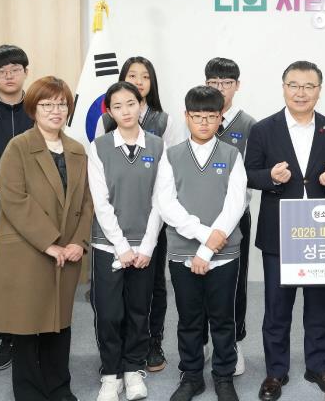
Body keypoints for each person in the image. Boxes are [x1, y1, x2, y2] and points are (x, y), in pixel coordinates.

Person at [245, 60, 325, 401]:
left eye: (308, 86)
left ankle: (318, 366)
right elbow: (249, 172)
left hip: (320, 232)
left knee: (319, 306)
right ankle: (276, 372)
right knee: (277, 307)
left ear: (319, 91)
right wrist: (270, 178)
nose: (301, 92)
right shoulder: (264, 129)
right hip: (279, 230)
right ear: (283, 88)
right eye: (294, 85)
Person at [0, 76, 93, 401]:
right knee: (27, 325)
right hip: (28, 250)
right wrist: (50, 242)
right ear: (33, 109)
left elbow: (87, 201)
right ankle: (30, 392)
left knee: (59, 324)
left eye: (61, 104)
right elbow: (14, 199)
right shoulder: (18, 147)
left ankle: (59, 388)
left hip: (67, 251)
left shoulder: (77, 150)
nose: (55, 110)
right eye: (47, 104)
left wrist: (78, 242)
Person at [155, 86, 246, 401]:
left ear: (220, 118)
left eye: (211, 116)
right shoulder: (171, 156)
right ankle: (192, 376)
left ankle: (223, 376)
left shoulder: (232, 155)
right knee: (189, 319)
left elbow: (235, 205)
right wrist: (203, 236)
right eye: (197, 116)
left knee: (223, 319)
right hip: (183, 252)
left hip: (223, 255)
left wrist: (207, 250)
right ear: (186, 117)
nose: (204, 123)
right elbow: (166, 204)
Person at [94, 56, 183, 372]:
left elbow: (170, 177)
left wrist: (149, 238)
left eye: (145, 76)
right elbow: (102, 185)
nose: (139, 81)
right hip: (114, 231)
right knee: (113, 301)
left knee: (151, 289)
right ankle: (115, 357)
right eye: (132, 75)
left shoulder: (164, 123)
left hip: (152, 226)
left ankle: (150, 344)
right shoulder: (105, 129)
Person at [88, 81, 164, 401]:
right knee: (108, 313)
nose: (126, 111)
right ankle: (111, 373)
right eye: (117, 106)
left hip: (145, 245)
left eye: (131, 104)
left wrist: (146, 246)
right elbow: (100, 202)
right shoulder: (100, 147)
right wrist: (121, 246)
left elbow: (161, 200)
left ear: (140, 105)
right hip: (109, 245)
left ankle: (133, 369)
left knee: (138, 310)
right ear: (110, 111)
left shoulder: (157, 146)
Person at [0, 45, 33, 370]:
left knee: (34, 280)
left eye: (15, 69)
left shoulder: (40, 111)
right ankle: (7, 341)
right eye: (2, 71)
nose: (9, 75)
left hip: (37, 217)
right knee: (4, 282)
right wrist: (10, 208)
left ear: (26, 72)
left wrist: (32, 212)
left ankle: (34, 338)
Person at [204, 57, 257, 375]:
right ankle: (206, 340)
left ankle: (234, 341)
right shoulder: (196, 118)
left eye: (226, 83)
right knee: (200, 279)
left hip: (235, 219)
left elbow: (248, 177)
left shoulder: (249, 125)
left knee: (235, 282)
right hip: (199, 218)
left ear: (237, 86)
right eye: (213, 83)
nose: (220, 89)